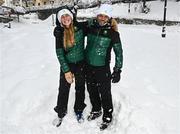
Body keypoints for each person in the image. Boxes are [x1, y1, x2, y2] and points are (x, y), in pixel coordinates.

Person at [85, 4, 123, 130]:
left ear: (108, 18)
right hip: (88, 66)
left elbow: (119, 53)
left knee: (105, 93)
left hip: (102, 68)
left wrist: (117, 69)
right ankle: (96, 109)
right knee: (91, 89)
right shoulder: (90, 27)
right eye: (100, 15)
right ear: (97, 16)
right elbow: (75, 29)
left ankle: (107, 114)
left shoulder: (113, 34)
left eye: (105, 16)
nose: (102, 18)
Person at [52, 8, 87, 127]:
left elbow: (95, 23)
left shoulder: (80, 27)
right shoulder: (59, 32)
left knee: (80, 88)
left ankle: (79, 110)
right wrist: (66, 70)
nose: (66, 19)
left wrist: (111, 21)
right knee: (63, 89)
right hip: (67, 64)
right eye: (62, 17)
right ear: (60, 20)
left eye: (67, 16)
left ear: (71, 17)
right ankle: (61, 113)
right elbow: (59, 53)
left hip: (81, 63)